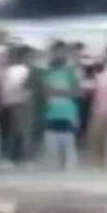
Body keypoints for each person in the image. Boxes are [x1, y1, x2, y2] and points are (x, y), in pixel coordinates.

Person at [40, 41, 82, 169]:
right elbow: (46, 93)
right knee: (51, 147)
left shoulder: (71, 72)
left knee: (68, 146)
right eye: (56, 52)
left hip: (68, 113)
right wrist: (64, 92)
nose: (59, 55)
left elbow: (77, 92)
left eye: (62, 52)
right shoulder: (47, 72)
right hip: (51, 112)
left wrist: (57, 92)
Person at [1, 46, 33, 165]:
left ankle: (12, 157)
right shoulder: (24, 70)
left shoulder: (12, 70)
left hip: (14, 103)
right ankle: (24, 157)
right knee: (21, 131)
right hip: (19, 102)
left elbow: (6, 88)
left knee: (15, 131)